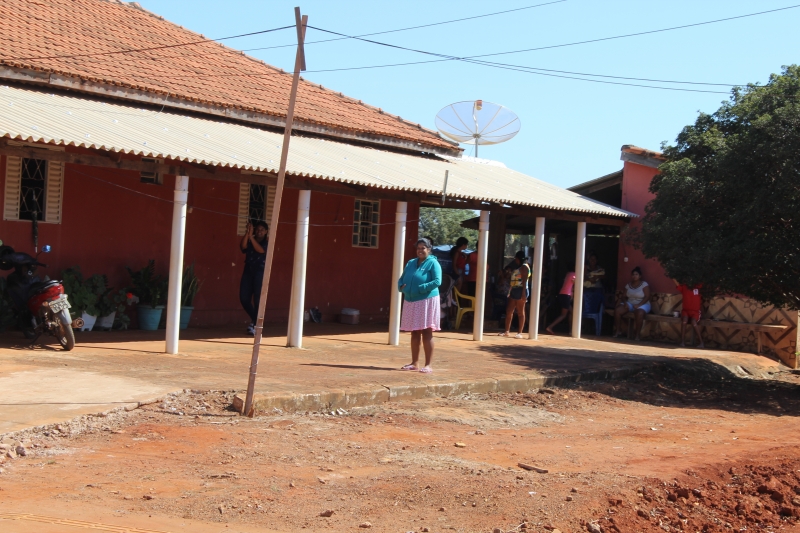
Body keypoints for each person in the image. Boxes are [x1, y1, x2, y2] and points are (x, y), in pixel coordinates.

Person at [397, 238, 442, 373]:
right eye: (418, 248)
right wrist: (401, 287)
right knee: (414, 331)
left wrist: (421, 288)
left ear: (429, 249)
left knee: (426, 331)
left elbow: (437, 281)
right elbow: (402, 278)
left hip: (426, 300)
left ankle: (428, 365)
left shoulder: (433, 263)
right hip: (410, 300)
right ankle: (414, 363)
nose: (420, 250)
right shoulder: (411, 262)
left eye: (423, 248)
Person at [239, 220, 268, 335]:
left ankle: (255, 325)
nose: (259, 231)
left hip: (260, 272)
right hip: (248, 272)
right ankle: (255, 321)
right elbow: (243, 247)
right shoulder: (250, 239)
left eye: (262, 230)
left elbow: (261, 250)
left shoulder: (266, 242)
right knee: (244, 298)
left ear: (266, 232)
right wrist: (248, 233)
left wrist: (251, 237)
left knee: (257, 300)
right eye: (257, 229)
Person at [614, 267, 651, 341]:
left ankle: (637, 335)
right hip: (630, 303)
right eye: (633, 274)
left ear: (640, 276)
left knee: (639, 313)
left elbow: (647, 296)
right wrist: (625, 303)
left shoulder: (644, 284)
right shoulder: (628, 285)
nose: (634, 276)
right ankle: (618, 331)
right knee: (617, 310)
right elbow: (623, 296)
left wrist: (639, 305)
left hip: (643, 304)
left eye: (636, 274)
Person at [501, 251, 531, 338]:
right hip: (514, 289)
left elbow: (524, 281)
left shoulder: (524, 267)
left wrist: (523, 293)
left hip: (521, 290)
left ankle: (520, 332)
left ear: (518, 259)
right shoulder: (519, 267)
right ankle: (507, 331)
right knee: (509, 310)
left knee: (520, 312)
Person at [674, 279, 704, 348]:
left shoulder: (698, 286)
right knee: (684, 321)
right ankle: (682, 341)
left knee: (694, 322)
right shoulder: (684, 287)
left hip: (695, 311)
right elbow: (677, 284)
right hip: (686, 310)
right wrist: (671, 275)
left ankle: (701, 342)